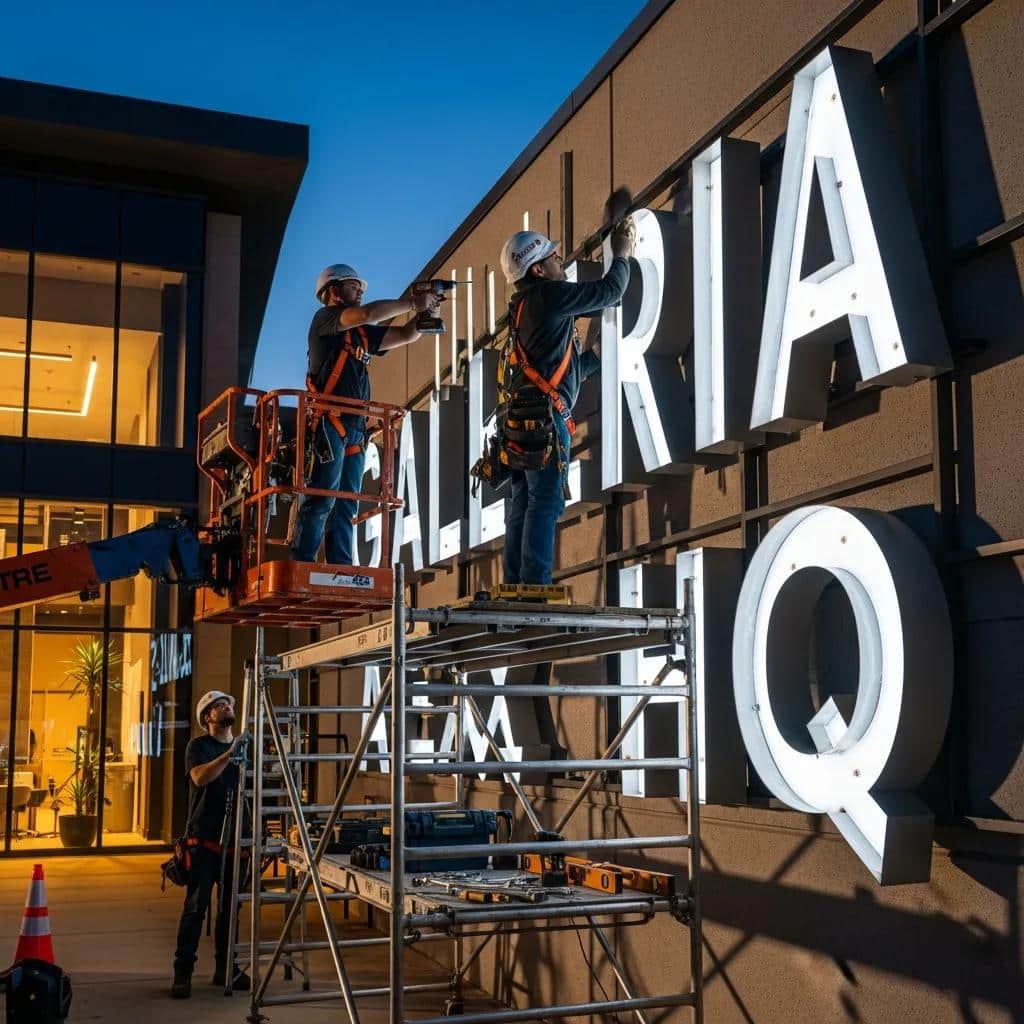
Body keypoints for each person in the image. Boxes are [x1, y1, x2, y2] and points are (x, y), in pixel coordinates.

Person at [498, 223, 635, 584]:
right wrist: (621, 253)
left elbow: (559, 367)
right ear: (538, 270)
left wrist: (598, 358)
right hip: (545, 420)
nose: (561, 261)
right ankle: (533, 587)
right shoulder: (549, 296)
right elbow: (611, 291)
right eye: (554, 257)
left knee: (524, 503)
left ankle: (517, 584)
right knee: (545, 503)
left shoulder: (521, 307)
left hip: (521, 418)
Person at [291, 264, 440, 566]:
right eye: (353, 286)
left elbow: (406, 335)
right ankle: (302, 564)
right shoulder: (325, 320)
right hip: (329, 423)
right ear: (333, 291)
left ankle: (341, 565)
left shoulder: (360, 335)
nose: (360, 290)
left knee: (347, 503)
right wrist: (413, 302)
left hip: (355, 427)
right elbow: (369, 313)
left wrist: (428, 314)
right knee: (322, 498)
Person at [170, 690, 248, 999]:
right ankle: (183, 973)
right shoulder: (199, 747)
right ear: (208, 718)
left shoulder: (244, 747)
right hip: (203, 842)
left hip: (234, 845)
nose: (225, 707)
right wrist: (231, 754)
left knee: (230, 913)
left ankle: (226, 968)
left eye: (227, 703)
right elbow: (201, 778)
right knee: (195, 910)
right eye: (218, 705)